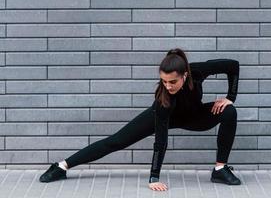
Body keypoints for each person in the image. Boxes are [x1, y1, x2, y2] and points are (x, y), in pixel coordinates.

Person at [39, 48, 241, 191]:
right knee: (116, 141)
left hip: (194, 116)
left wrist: (229, 98)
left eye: (173, 81)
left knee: (230, 112)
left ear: (185, 75)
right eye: (164, 81)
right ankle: (61, 166)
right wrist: (154, 177)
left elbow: (233, 66)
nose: (168, 86)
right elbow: (160, 141)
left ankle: (220, 169)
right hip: (165, 117)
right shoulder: (164, 101)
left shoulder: (198, 71)